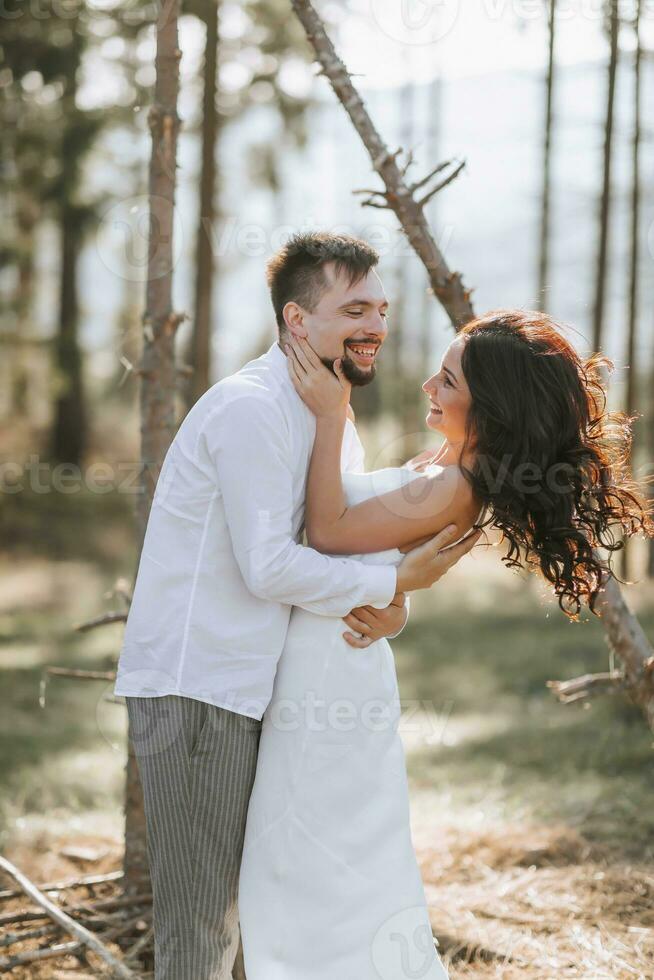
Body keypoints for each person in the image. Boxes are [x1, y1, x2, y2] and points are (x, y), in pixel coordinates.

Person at [238, 309, 653, 979]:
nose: (429, 384)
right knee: (303, 851)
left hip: (330, 673)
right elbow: (372, 560)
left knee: (310, 854)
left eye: (449, 378)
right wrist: (393, 599)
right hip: (329, 651)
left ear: (489, 406)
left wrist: (327, 415)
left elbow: (326, 530)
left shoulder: (456, 483)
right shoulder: (446, 466)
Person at [114, 232, 480, 979]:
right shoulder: (252, 409)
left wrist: (392, 607)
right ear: (296, 322)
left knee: (254, 919)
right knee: (200, 927)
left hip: (265, 689)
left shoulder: (324, 410)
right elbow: (272, 568)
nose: (376, 323)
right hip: (199, 689)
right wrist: (398, 586)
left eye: (380, 306)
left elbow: (341, 547)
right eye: (354, 308)